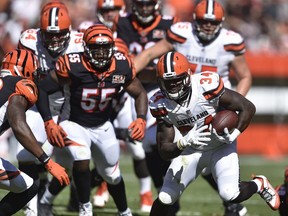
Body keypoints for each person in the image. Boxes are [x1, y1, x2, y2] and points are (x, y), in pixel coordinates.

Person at [133, 0, 252, 215]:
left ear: (221, 22)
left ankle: (232, 202)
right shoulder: (182, 33)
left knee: (209, 148)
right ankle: (165, 191)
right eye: (204, 21)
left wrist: (230, 110)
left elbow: (244, 76)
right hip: (177, 107)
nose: (207, 25)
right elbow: (151, 54)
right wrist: (126, 73)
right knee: (154, 142)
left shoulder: (229, 41)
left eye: (212, 22)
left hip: (212, 105)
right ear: (194, 20)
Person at [148, 51, 280, 216]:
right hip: (192, 149)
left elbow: (247, 107)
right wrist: (183, 142)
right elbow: (164, 151)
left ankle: (258, 184)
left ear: (188, 76)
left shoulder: (205, 86)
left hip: (221, 145)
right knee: (166, 197)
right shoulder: (159, 103)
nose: (173, 86)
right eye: (168, 82)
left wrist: (234, 134)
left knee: (230, 193)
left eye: (176, 80)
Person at [36, 24, 148, 216]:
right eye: (96, 48)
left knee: (112, 175)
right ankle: (84, 208)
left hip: (103, 125)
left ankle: (125, 211)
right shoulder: (73, 65)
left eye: (105, 48)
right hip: (72, 122)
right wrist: (48, 121)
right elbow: (42, 89)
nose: (102, 54)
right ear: (86, 48)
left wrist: (141, 119)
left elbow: (140, 93)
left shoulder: (122, 66)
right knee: (81, 157)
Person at [112, 0, 181, 213]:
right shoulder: (121, 22)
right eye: (140, 4)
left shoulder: (171, 24)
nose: (144, 9)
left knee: (153, 140)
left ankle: (166, 187)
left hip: (159, 87)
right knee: (141, 143)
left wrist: (149, 72)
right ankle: (162, 188)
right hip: (128, 85)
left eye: (148, 4)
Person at [17, 2, 84, 215]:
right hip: (39, 105)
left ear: (69, 31)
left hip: (69, 108)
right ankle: (32, 207)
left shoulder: (80, 43)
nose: (54, 40)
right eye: (49, 34)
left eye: (59, 34)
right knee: (26, 155)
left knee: (72, 158)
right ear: (40, 32)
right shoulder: (29, 40)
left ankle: (53, 198)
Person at [0, 48, 70, 216]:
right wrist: (48, 162)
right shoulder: (21, 84)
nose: (36, 76)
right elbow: (18, 123)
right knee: (29, 186)